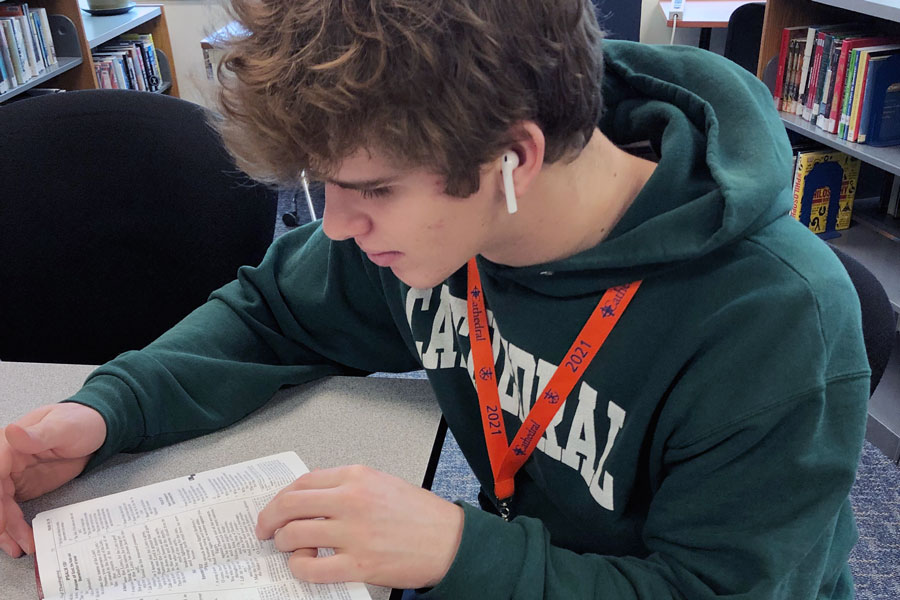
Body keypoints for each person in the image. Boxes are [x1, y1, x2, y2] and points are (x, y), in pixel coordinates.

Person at [0, 1, 870, 598]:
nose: (337, 227)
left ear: (514, 161)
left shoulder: (775, 319)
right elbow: (269, 310)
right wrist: (103, 414)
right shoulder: (444, 223)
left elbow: (713, 591)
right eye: (322, 187)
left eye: (369, 190)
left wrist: (460, 549)